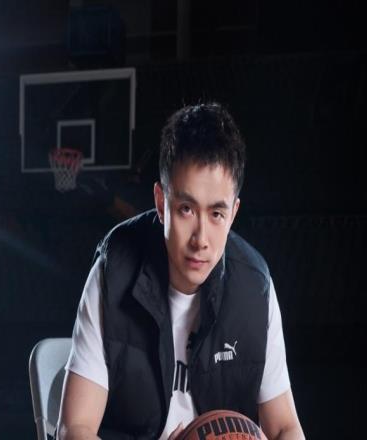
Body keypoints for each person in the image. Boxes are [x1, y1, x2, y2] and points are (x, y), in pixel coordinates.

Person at [57, 103, 305, 440]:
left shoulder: (254, 287)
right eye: (186, 209)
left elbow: (285, 427)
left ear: (233, 213)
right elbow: (75, 428)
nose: (200, 239)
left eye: (216, 214)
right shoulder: (114, 270)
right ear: (161, 203)